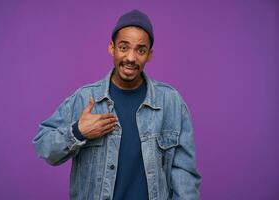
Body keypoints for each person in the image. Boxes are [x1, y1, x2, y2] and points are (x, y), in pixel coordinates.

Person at [33, 9, 201, 200]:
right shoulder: (85, 98)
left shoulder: (171, 103)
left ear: (149, 55)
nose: (131, 58)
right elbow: (44, 147)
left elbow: (184, 174)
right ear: (111, 48)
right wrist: (78, 131)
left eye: (140, 50)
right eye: (124, 47)